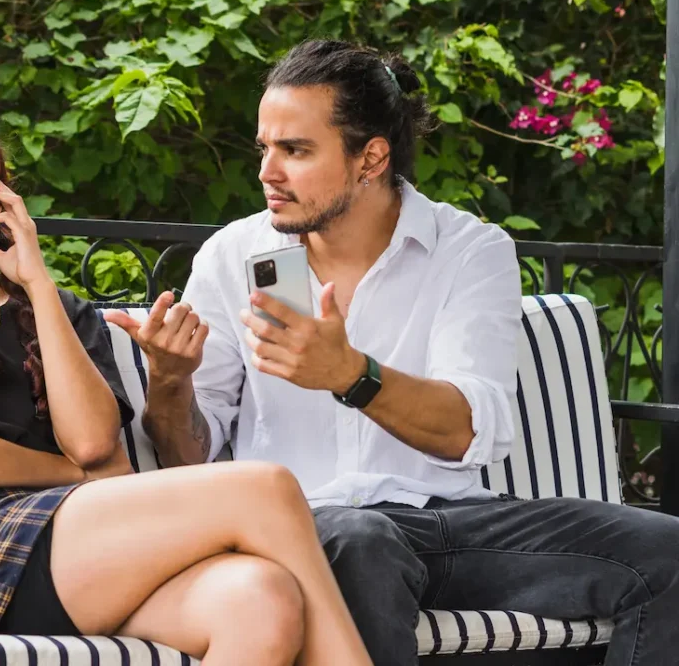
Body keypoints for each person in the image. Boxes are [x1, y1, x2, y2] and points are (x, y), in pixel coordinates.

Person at [105, 40, 679, 666]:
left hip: (453, 523)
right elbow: (191, 454)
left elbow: (468, 426)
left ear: (370, 158)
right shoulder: (232, 256)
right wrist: (169, 382)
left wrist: (352, 375)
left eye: (295, 150)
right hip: (304, 523)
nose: (268, 171)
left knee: (670, 554)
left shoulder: (468, 250)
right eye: (264, 148)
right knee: (360, 539)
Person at [0, 98, 372, 666]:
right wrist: (73, 475)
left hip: (76, 552)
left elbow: (91, 443)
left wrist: (35, 283)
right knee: (264, 489)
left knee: (260, 600)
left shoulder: (60, 311)